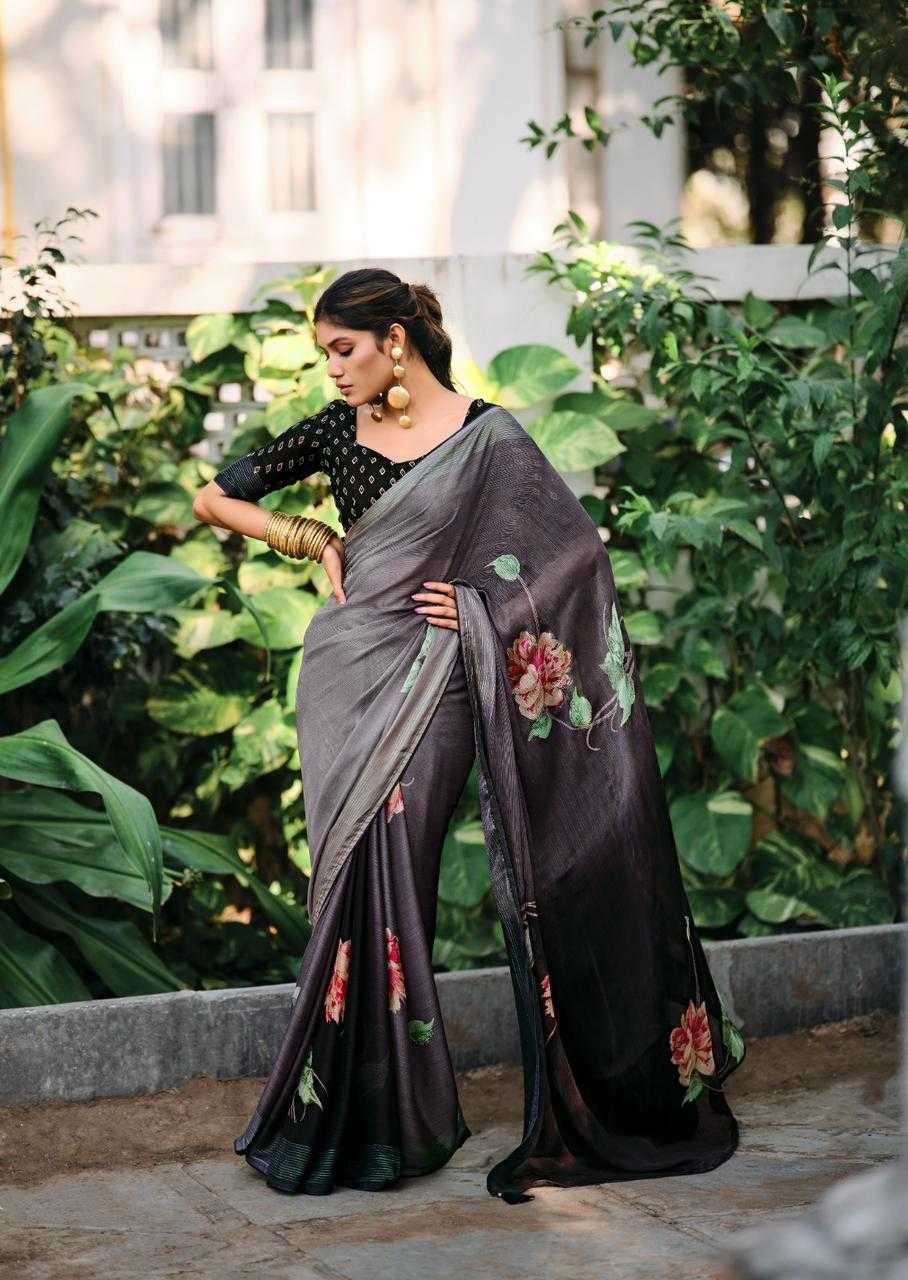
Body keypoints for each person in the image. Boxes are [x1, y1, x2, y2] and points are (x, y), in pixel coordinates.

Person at [192, 267, 746, 1205]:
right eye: (324, 354)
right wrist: (311, 538)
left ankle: (396, 1112)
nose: (333, 370)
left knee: (398, 871)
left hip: (442, 678)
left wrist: (488, 608)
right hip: (344, 676)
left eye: (344, 349)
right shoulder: (334, 431)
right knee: (349, 882)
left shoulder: (488, 437)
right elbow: (214, 499)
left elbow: (573, 558)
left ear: (394, 340)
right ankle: (364, 1114)